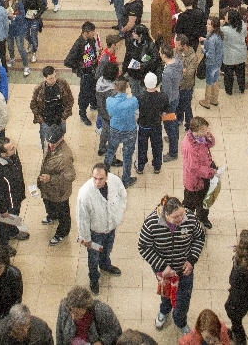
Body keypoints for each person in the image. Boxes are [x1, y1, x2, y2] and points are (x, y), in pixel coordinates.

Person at [138, 195, 205, 335]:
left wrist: (192, 260)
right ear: (166, 214)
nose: (181, 219)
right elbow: (143, 246)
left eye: (182, 214)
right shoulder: (151, 223)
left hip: (184, 269)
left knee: (184, 297)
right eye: (176, 217)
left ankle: (180, 321)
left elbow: (199, 237)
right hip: (163, 270)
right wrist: (162, 267)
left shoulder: (190, 218)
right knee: (166, 292)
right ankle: (164, 310)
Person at [76, 162, 127, 295]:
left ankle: (105, 265)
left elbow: (123, 194)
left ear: (107, 177)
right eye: (95, 178)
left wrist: (118, 213)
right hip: (95, 233)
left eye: (101, 179)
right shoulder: (85, 194)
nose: (97, 182)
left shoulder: (115, 181)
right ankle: (94, 279)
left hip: (110, 228)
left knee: (107, 249)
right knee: (93, 258)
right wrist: (86, 238)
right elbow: (82, 219)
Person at [37, 123, 76, 245]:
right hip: (47, 187)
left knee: (63, 212)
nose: (51, 145)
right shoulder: (48, 143)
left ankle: (62, 233)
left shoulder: (65, 156)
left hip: (60, 191)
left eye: (54, 143)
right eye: (49, 142)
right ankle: (52, 215)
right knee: (48, 202)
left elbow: (70, 176)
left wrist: (51, 179)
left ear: (62, 138)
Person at [0, 138, 28, 251]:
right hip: (6, 203)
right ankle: (2, 245)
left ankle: (13, 231)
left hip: (16, 196)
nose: (15, 148)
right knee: (3, 224)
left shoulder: (12, 155)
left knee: (14, 215)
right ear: (3, 154)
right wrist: (3, 210)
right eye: (12, 148)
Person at [182, 117, 218, 229]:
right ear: (195, 130)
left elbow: (210, 144)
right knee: (190, 203)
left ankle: (203, 217)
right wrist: (210, 173)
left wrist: (209, 136)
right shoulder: (189, 147)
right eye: (204, 130)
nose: (207, 131)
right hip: (194, 181)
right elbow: (194, 168)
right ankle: (186, 221)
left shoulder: (201, 137)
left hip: (205, 173)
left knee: (205, 199)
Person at [55, 286, 121, 345]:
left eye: (77, 313)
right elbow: (59, 333)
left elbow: (116, 332)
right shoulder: (64, 307)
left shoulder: (102, 311)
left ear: (86, 307)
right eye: (71, 311)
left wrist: (101, 342)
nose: (73, 317)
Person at [104, 78, 138, 189]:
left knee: (110, 151)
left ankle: (104, 174)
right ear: (127, 86)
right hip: (130, 131)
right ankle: (126, 179)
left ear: (115, 87)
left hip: (115, 129)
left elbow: (109, 113)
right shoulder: (133, 101)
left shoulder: (109, 101)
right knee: (127, 155)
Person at [30, 66, 74, 149]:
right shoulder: (39, 89)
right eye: (50, 78)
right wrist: (41, 121)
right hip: (46, 120)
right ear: (45, 78)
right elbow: (33, 105)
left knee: (60, 137)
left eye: (55, 76)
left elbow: (70, 100)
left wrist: (64, 117)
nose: (54, 80)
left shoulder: (62, 84)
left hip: (61, 118)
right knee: (46, 142)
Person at [64, 22, 99, 126]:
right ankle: (82, 113)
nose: (94, 33)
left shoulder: (91, 40)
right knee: (84, 95)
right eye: (92, 32)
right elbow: (67, 61)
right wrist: (80, 65)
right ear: (86, 32)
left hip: (92, 70)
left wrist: (95, 57)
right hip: (85, 74)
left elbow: (92, 52)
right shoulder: (78, 44)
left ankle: (93, 104)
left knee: (93, 89)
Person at [135, 72, 169, 175]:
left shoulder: (139, 97)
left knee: (141, 147)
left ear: (145, 83)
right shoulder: (163, 96)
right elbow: (164, 111)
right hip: (156, 126)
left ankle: (140, 167)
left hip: (143, 126)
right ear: (157, 83)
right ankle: (157, 166)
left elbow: (136, 112)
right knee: (157, 146)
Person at [159, 42, 183, 162]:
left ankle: (173, 153)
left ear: (163, 55)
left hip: (169, 102)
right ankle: (174, 137)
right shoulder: (178, 61)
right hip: (176, 95)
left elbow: (166, 93)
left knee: (169, 125)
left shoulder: (167, 73)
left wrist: (163, 109)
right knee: (173, 120)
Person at [199, 16, 224, 109]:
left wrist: (203, 49)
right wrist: (205, 39)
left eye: (209, 24)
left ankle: (206, 101)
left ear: (213, 26)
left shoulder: (211, 38)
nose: (206, 25)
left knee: (209, 82)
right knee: (215, 80)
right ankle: (214, 99)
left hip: (211, 63)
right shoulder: (218, 35)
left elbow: (210, 54)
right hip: (218, 62)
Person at [221, 8, 247, 96]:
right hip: (241, 55)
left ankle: (229, 91)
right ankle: (242, 88)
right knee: (241, 74)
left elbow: (219, 37)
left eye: (226, 16)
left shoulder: (224, 30)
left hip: (229, 57)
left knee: (228, 76)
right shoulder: (243, 25)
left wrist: (221, 25)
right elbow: (245, 34)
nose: (225, 16)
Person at [175, 34, 198, 130]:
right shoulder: (177, 52)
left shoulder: (193, 57)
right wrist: (182, 69)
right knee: (178, 105)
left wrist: (179, 70)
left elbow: (189, 74)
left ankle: (189, 125)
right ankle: (179, 120)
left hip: (187, 87)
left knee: (187, 107)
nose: (175, 47)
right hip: (177, 85)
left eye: (178, 45)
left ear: (184, 46)